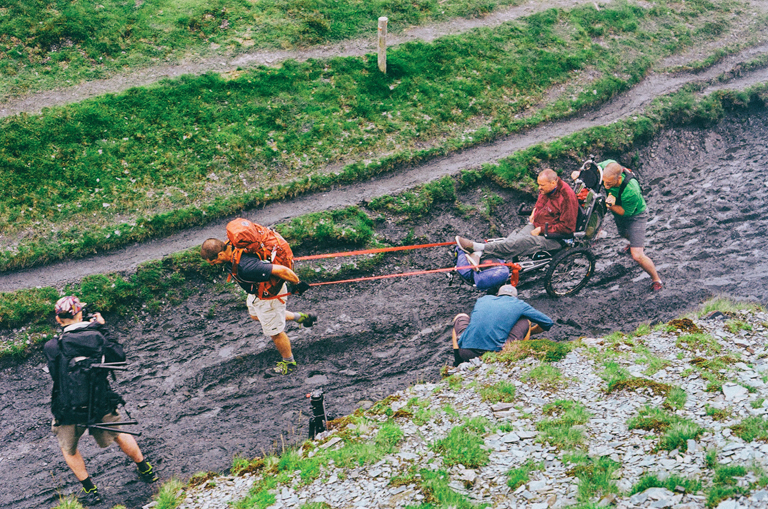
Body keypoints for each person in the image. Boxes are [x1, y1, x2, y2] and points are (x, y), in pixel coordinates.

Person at [44, 296, 158, 506]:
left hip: (67, 409)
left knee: (68, 448)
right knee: (120, 434)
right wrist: (102, 329)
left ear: (59, 320)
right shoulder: (98, 337)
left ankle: (91, 490)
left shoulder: (52, 346)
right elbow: (119, 357)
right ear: (79, 313)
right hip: (100, 402)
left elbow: (55, 375)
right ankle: (146, 469)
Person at [201, 238, 317, 375]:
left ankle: (289, 362)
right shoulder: (230, 246)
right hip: (256, 292)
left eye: (214, 261)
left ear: (220, 254)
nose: (214, 264)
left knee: (275, 332)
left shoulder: (247, 267)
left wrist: (297, 284)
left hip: (268, 297)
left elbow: (282, 271)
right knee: (255, 316)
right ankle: (301, 317)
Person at [455, 169, 579, 265]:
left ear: (553, 183)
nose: (539, 188)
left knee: (519, 243)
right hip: (538, 226)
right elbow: (541, 201)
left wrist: (541, 230)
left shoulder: (567, 199)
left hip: (555, 238)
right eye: (538, 184)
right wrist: (535, 211)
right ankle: (479, 254)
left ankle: (478, 247)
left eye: (542, 185)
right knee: (512, 241)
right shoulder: (548, 189)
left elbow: (567, 228)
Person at [600, 160, 663, 292]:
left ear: (619, 178)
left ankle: (656, 279)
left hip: (635, 215)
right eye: (604, 182)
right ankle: (634, 242)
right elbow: (594, 169)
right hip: (618, 209)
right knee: (622, 234)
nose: (606, 185)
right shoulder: (608, 167)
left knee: (637, 255)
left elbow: (626, 213)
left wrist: (610, 206)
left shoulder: (631, 190)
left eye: (609, 183)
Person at [451, 285, 554, 366]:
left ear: (498, 295)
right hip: (497, 353)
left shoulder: (483, 299)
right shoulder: (519, 304)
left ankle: (458, 363)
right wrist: (530, 331)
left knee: (460, 317)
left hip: (467, 352)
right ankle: (518, 358)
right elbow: (547, 322)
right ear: (515, 297)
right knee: (526, 321)